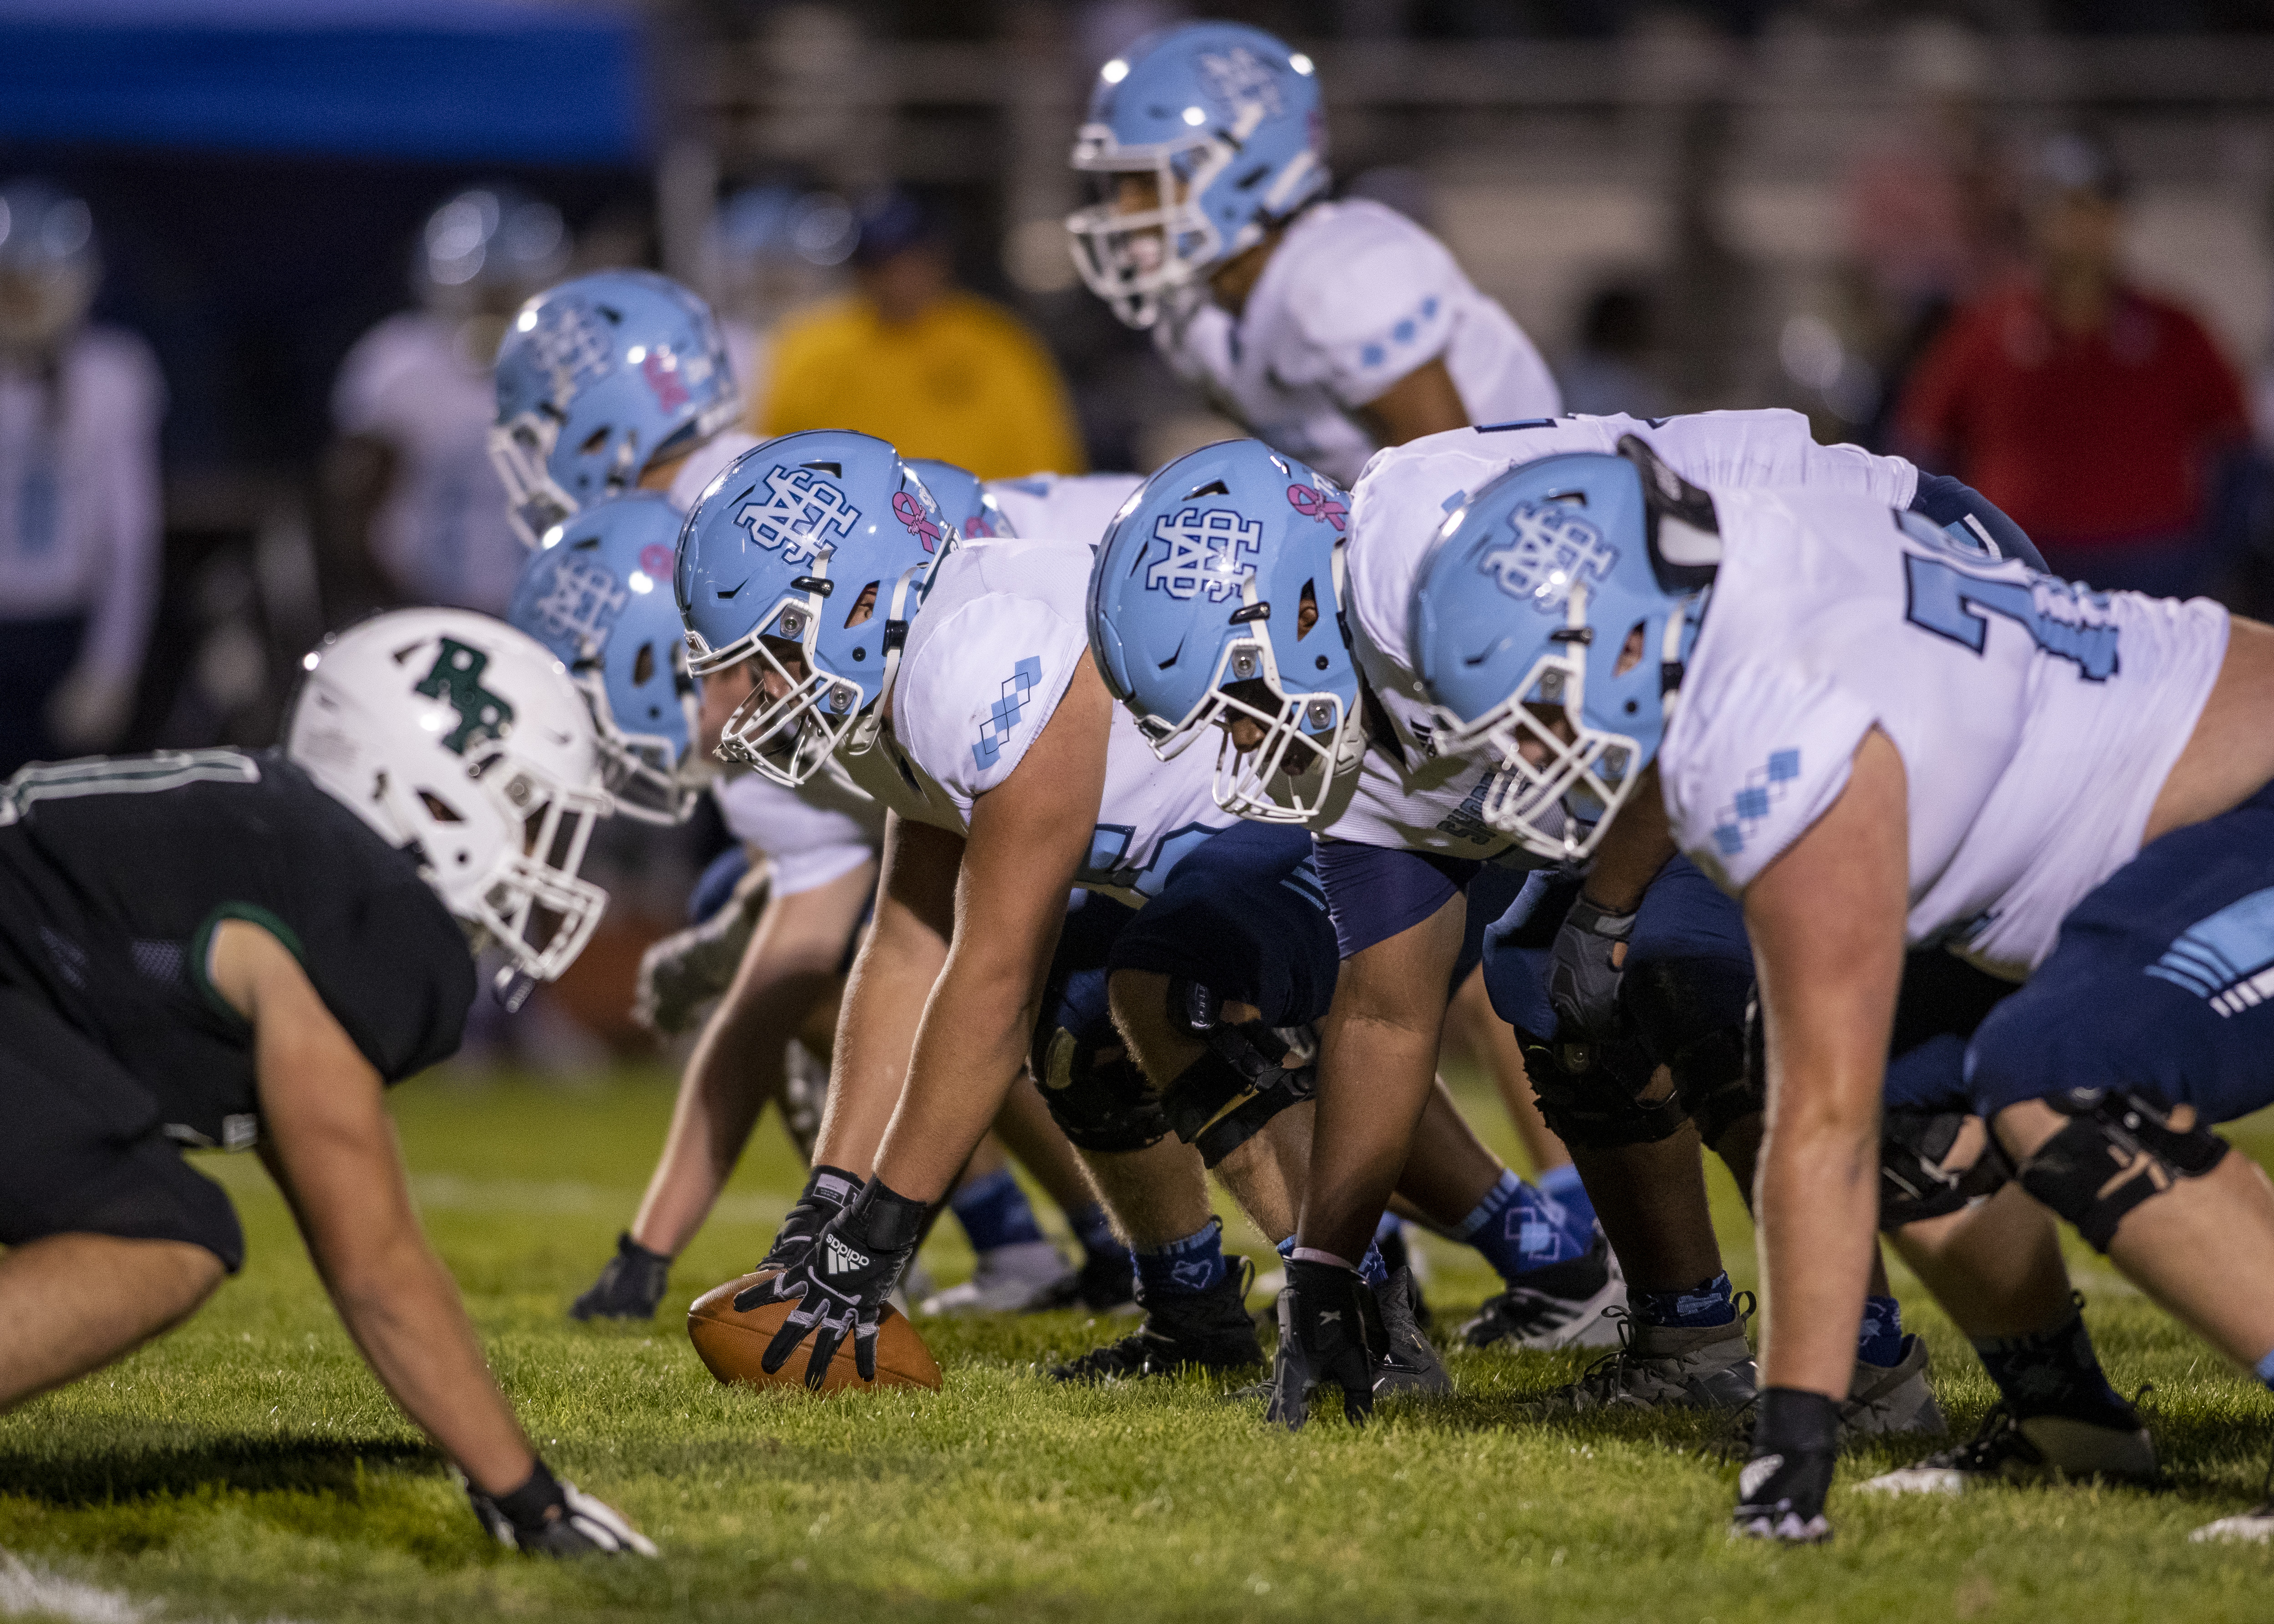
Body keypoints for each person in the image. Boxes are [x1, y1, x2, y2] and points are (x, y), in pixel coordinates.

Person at [1409, 440, 2274, 1543]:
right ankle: (2070, 1429)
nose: (1533, 741)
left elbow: (1819, 1134)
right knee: (1909, 1094)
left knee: (2056, 1075)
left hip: (2240, 806)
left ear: (1622, 633)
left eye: (1537, 698)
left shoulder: (1790, 730)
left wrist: (1789, 1453)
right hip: (2162, 817)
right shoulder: (1736, 582)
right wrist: (1608, 903)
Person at [1219, 409, 2043, 1428]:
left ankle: (1866, 1371)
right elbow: (1384, 1016)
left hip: (1882, 591)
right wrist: (1324, 1272)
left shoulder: (1423, 557)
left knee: (1688, 967)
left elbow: (1679, 666)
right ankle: (1686, 1338)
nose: (1237, 736)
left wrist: (1606, 907)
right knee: (1545, 982)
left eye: (1231, 697)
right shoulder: (1369, 701)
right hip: (1744, 671)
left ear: (1290, 613)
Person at [676, 430, 1462, 1391]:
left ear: (854, 600)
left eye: (766, 653)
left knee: (1170, 993)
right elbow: (908, 945)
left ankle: (1367, 1320)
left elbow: (987, 979)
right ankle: (1195, 1319)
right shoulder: (898, 669)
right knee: (1073, 1028)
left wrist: (874, 1247)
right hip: (1205, 847)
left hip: (1312, 809)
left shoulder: (975, 657)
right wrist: (827, 1209)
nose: (748, 693)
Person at [485, 279, 1115, 1319]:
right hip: (1052, 662)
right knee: (901, 943)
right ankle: (1062, 1244)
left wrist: (652, 1250)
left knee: (1011, 964)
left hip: (1083, 668)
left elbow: (800, 948)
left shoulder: (741, 589)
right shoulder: (722, 520)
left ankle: (1243, 1249)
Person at [0, 608, 651, 1556]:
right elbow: (374, 1264)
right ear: (425, 791)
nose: (538, 850)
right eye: (523, 804)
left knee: (130, 1190)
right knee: (160, 1234)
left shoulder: (263, 833)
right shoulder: (356, 905)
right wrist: (532, 1499)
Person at [1065, 21, 1560, 489]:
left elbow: (1452, 488)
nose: (1122, 210)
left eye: (1143, 183)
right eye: (1116, 185)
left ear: (1238, 171)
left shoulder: (1344, 274)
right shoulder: (1194, 320)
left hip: (1523, 524)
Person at [1896, 131, 2251, 599]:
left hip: (2152, 570)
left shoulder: (2176, 329)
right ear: (2035, 217)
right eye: (2063, 206)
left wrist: (2208, 557)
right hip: (2019, 570)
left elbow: (2238, 453)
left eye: (2094, 206)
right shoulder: (1983, 329)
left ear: (2117, 218)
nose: (2078, 225)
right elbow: (1922, 444)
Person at [330, 186, 568, 616]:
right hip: (419, 602)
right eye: (481, 289)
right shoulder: (401, 363)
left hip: (541, 609)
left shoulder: (567, 370)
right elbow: (352, 502)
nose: (492, 305)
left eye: (506, 289)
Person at [0, 178, 164, 776]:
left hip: (61, 622)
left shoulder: (111, 375)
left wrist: (111, 664)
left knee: (55, 813)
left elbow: (129, 537)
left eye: (33, 285)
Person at [756, 189, 1086, 479]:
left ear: (941, 260)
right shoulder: (810, 346)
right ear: (859, 272)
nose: (899, 279)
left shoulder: (995, 342)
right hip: (845, 534)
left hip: (977, 535)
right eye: (882, 265)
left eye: (912, 261)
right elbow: (770, 456)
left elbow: (1047, 464)